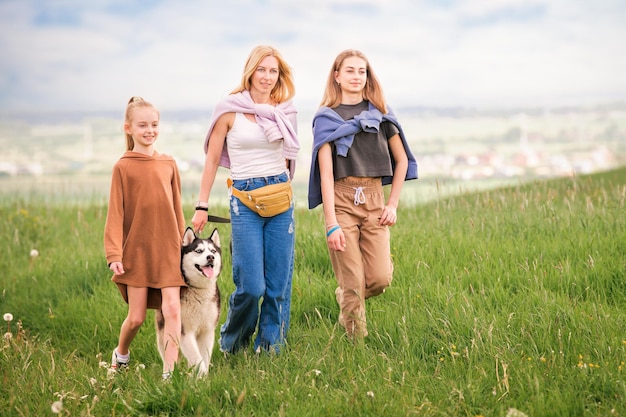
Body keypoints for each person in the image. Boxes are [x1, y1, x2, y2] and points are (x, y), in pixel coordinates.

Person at [191, 45, 298, 354]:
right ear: (250, 71)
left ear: (280, 76)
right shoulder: (229, 110)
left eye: (273, 71)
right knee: (252, 287)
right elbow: (211, 161)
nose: (267, 76)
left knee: (278, 286)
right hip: (244, 200)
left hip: (279, 197)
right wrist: (202, 205)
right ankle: (232, 343)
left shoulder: (285, 110)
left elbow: (291, 157)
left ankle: (270, 350)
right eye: (261, 69)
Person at [307, 49, 418, 339]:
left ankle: (345, 295)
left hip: (374, 201)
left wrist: (392, 204)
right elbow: (326, 175)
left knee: (380, 279)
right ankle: (356, 347)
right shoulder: (326, 119)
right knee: (354, 283)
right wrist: (330, 223)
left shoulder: (381, 114)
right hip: (341, 201)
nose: (357, 76)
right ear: (337, 77)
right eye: (350, 71)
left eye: (362, 71)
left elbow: (402, 160)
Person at [104, 96, 186, 379]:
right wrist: (114, 254)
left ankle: (169, 373)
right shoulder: (123, 167)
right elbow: (114, 214)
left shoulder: (168, 163)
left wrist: (184, 246)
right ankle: (121, 353)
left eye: (154, 124)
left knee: (173, 310)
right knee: (137, 317)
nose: (150, 130)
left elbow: (177, 209)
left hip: (169, 250)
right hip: (137, 252)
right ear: (128, 128)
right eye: (143, 125)